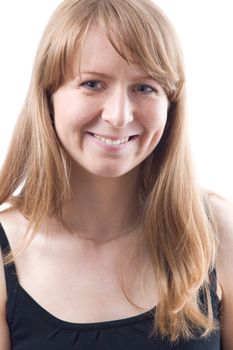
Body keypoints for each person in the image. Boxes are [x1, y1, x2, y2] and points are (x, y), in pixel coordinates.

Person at [0, 0, 232, 348]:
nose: (119, 116)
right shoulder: (6, 258)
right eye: (92, 83)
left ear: (171, 104)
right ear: (47, 96)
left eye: (145, 87)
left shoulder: (217, 233)